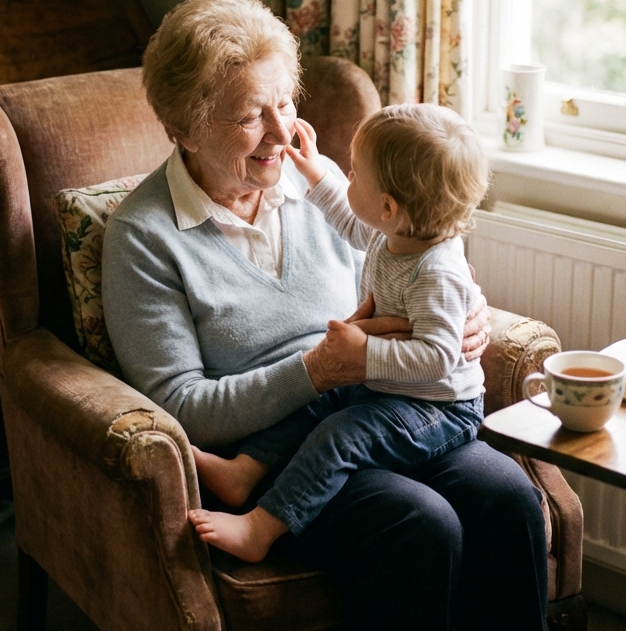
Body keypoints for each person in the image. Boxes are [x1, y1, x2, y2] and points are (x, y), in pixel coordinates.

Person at [102, 0, 581, 631]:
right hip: (280, 443)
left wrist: (465, 316)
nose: (282, 132)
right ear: (185, 125)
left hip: (385, 398)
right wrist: (315, 372)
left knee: (506, 497)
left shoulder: (324, 191)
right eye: (252, 116)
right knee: (418, 523)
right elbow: (181, 407)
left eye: (285, 104)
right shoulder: (145, 235)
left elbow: (411, 255)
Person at [189, 104, 489, 562]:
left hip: (439, 408)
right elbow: (350, 222)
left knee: (341, 434)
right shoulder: (395, 233)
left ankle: (262, 528)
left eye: (353, 174)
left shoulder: (436, 271)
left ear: (388, 206)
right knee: (313, 398)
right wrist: (315, 176)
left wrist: (365, 353)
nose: (345, 177)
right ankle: (242, 472)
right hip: (390, 390)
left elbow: (437, 358)